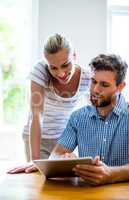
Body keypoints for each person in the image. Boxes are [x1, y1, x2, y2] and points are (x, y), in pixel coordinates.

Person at [8, 33, 91, 173]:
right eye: (53, 67)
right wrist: (35, 161)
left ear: (75, 56)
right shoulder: (40, 70)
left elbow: (94, 115)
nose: (61, 73)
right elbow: (36, 115)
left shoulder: (87, 77)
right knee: (37, 178)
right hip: (36, 137)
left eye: (65, 65)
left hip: (62, 139)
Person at [49, 54, 129, 185]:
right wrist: (64, 159)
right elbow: (54, 155)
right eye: (93, 81)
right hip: (87, 194)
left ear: (120, 86)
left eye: (104, 85)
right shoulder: (78, 117)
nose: (95, 89)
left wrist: (111, 174)